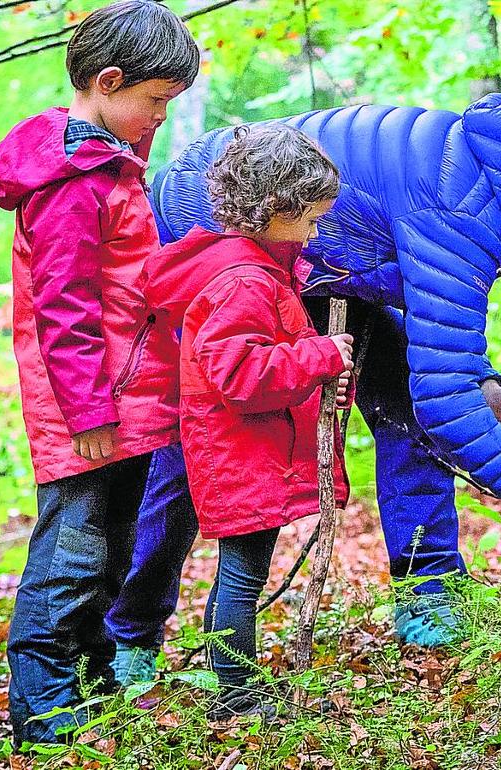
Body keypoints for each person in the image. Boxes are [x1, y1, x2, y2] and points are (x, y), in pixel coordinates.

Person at [148, 93, 501, 646]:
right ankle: (131, 632)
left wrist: (485, 389)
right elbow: (445, 404)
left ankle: (429, 599)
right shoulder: (461, 205)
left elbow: (439, 324)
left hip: (322, 262)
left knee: (405, 409)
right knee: (195, 443)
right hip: (214, 227)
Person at [0, 0, 198, 745]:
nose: (161, 117)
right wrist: (88, 415)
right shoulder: (72, 181)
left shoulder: (110, 165)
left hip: (127, 399)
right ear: (108, 82)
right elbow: (64, 306)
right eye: (157, 100)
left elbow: (127, 281)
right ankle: (43, 710)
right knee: (71, 558)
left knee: (111, 550)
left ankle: (92, 682)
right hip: (88, 409)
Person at [137, 124, 353, 716]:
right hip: (241, 455)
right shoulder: (243, 283)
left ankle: (234, 684)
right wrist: (322, 355)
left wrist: (328, 377)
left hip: (252, 451)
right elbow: (243, 377)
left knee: (242, 572)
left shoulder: (258, 272)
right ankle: (235, 694)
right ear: (276, 210)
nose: (315, 233)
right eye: (310, 220)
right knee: (242, 575)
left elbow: (273, 361)